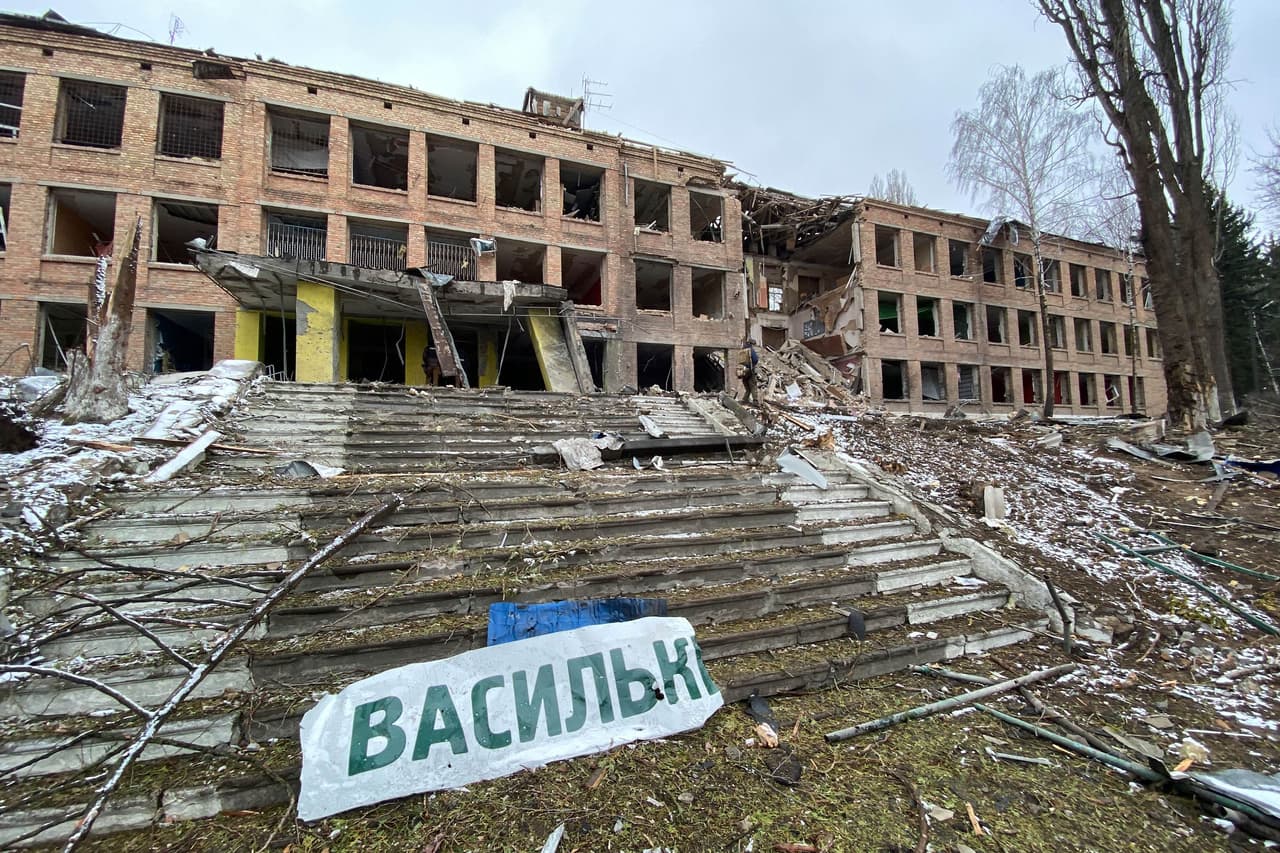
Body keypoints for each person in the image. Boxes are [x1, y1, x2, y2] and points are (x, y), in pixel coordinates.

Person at [740, 339, 759, 404]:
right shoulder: (750, 350)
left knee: (747, 388)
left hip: (743, 371)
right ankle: (755, 401)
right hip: (750, 370)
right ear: (752, 344)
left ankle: (744, 400)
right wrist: (753, 365)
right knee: (753, 386)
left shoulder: (742, 349)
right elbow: (755, 359)